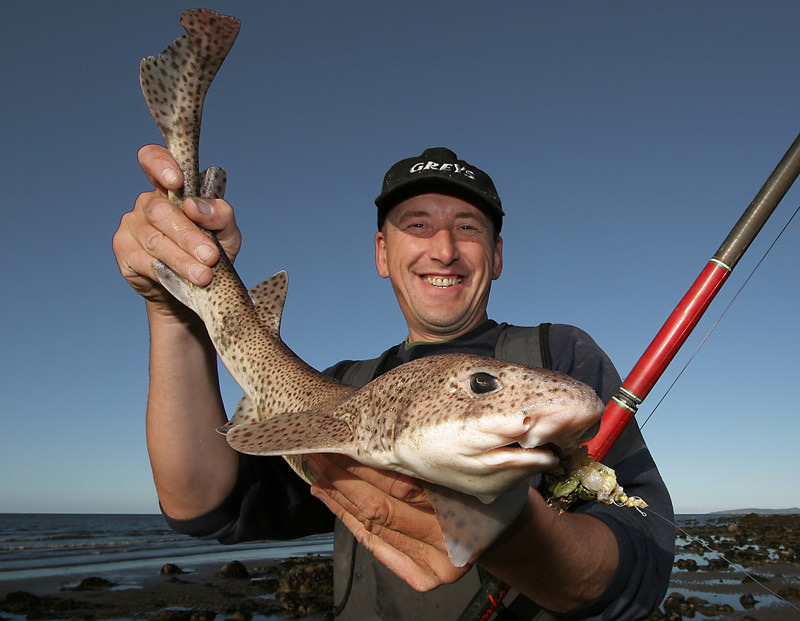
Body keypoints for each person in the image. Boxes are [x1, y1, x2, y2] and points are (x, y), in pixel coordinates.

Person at [113, 146, 674, 620]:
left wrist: (518, 539)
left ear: (497, 255)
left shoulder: (560, 354)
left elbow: (645, 558)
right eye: (418, 225)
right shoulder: (342, 386)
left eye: (468, 228)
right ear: (383, 253)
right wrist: (172, 310)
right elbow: (203, 505)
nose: (444, 249)